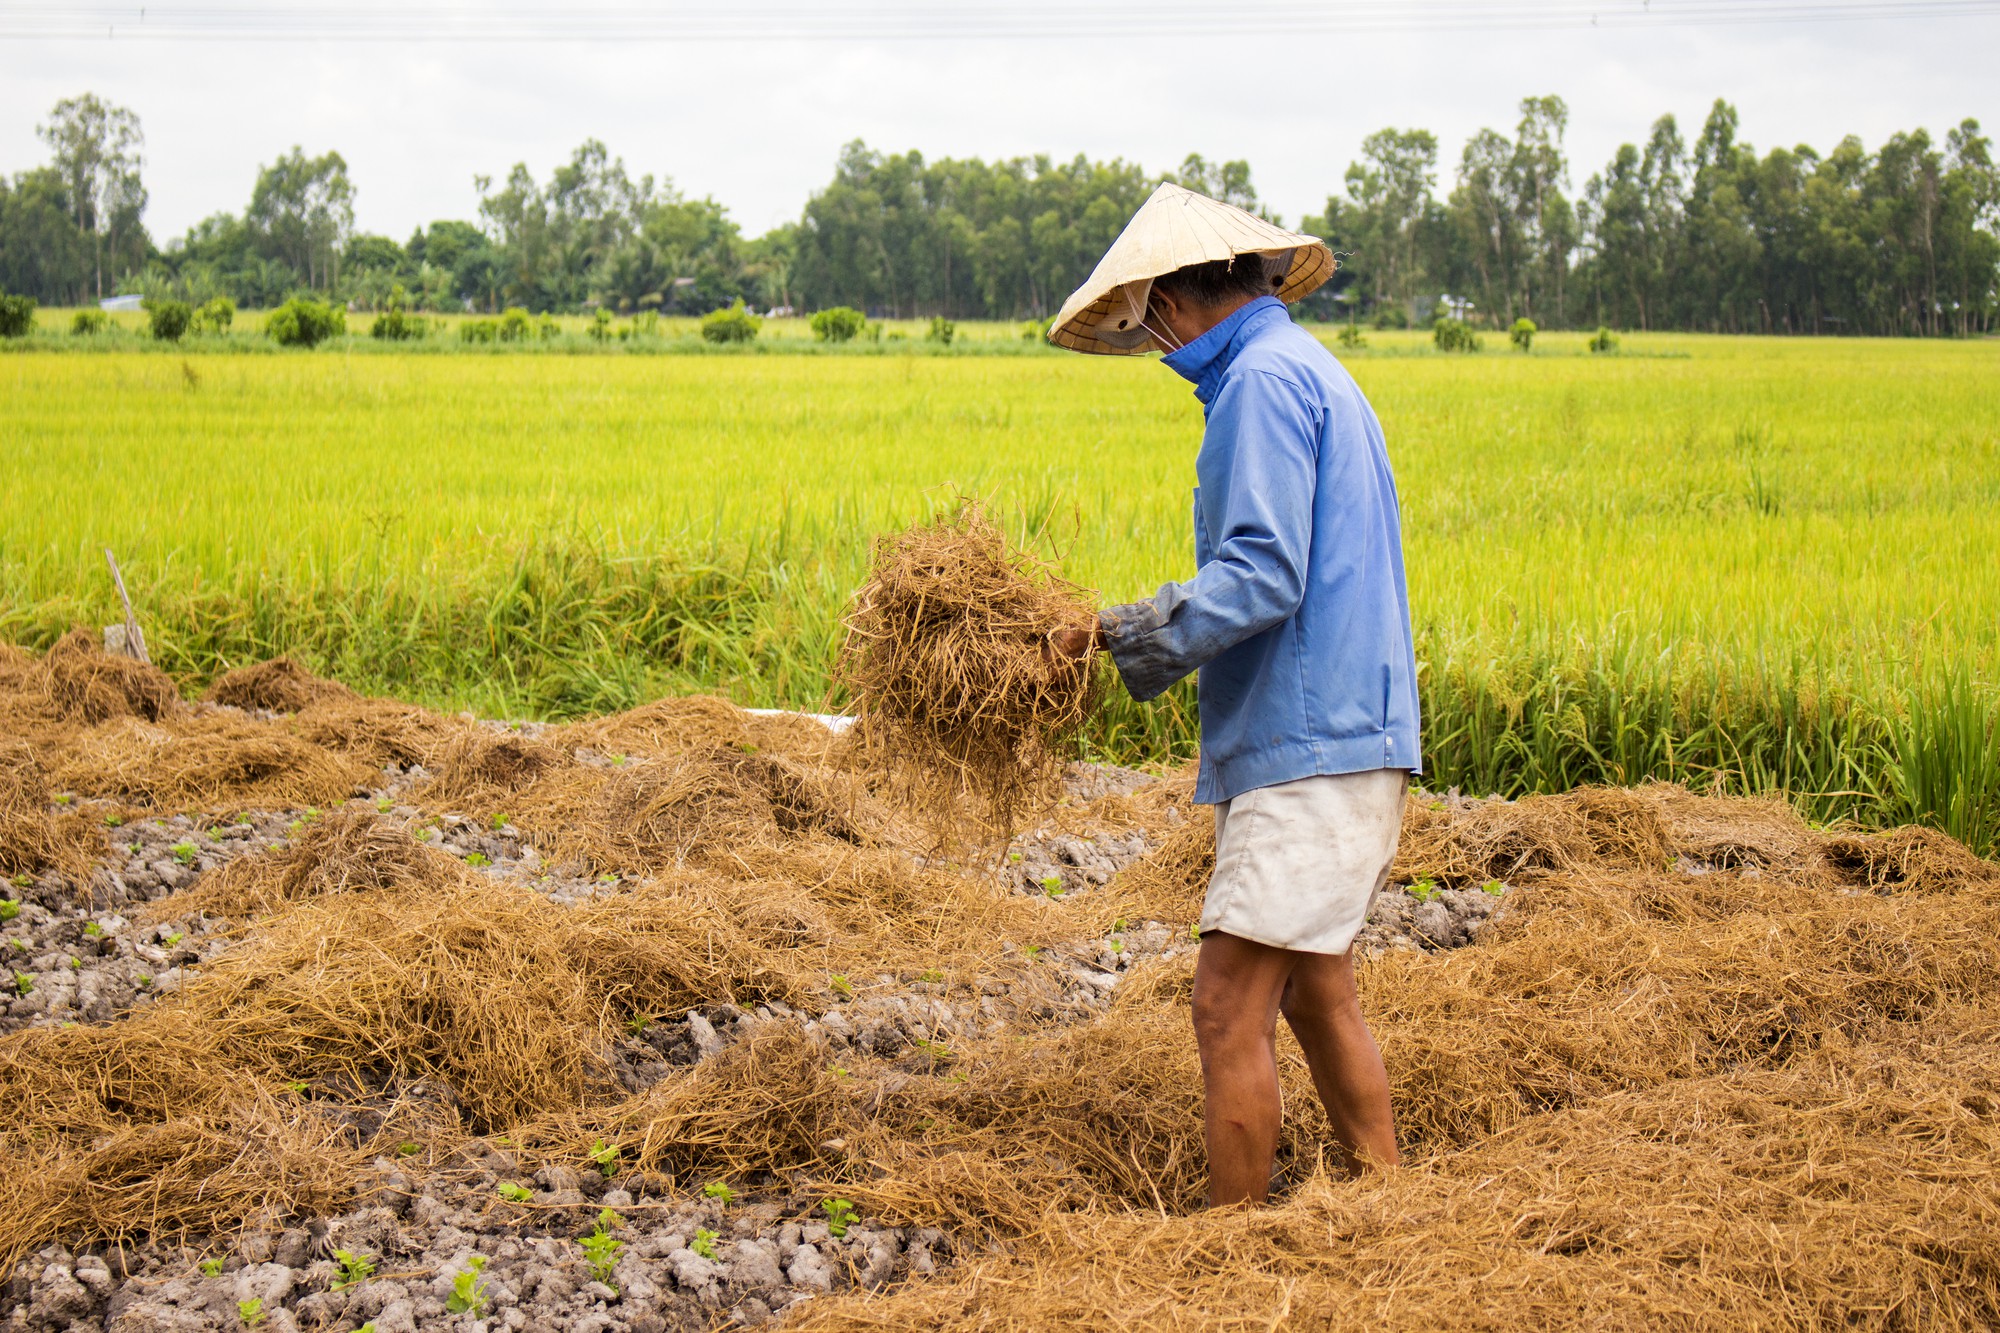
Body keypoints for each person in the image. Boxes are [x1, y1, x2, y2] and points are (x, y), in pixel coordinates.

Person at [1046, 183, 1422, 1206]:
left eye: (1150, 315)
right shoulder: (1309, 370)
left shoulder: (1259, 382)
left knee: (1225, 1005)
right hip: (1350, 729)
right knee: (1313, 988)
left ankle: (1228, 1255)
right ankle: (1382, 1202)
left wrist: (1114, 631)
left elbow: (1260, 572)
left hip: (1313, 740)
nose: (1153, 339)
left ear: (1177, 293)